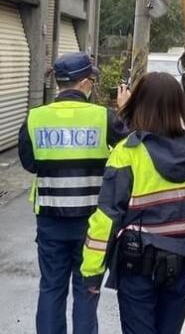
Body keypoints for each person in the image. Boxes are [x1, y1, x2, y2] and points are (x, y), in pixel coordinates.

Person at [80, 72, 185, 334]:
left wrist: (92, 272)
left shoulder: (128, 152)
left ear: (139, 104)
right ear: (179, 106)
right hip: (182, 263)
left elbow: (105, 219)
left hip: (137, 268)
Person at [18, 51, 129, 334]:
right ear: (84, 83)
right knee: (86, 291)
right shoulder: (104, 118)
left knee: (51, 288)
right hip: (91, 223)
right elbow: (129, 154)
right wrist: (124, 111)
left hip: (50, 221)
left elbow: (29, 163)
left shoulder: (35, 118)